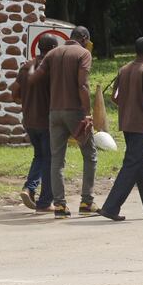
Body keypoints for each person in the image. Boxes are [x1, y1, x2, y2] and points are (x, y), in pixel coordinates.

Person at [98, 37, 143, 222]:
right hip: (140, 126)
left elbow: (115, 96)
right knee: (131, 167)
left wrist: (128, 104)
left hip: (127, 124)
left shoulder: (124, 69)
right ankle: (110, 207)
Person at [41, 25, 97, 218]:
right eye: (87, 41)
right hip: (75, 112)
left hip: (54, 112)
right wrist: (88, 113)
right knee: (89, 155)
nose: (88, 45)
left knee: (57, 160)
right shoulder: (83, 54)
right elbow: (82, 84)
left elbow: (40, 79)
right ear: (83, 37)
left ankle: (60, 206)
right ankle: (86, 202)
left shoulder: (52, 53)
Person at [13, 34, 59, 212]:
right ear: (54, 48)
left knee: (39, 156)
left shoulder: (26, 66)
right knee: (49, 160)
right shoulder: (50, 68)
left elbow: (14, 93)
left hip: (29, 120)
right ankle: (45, 202)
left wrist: (25, 101)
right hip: (46, 121)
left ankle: (29, 188)